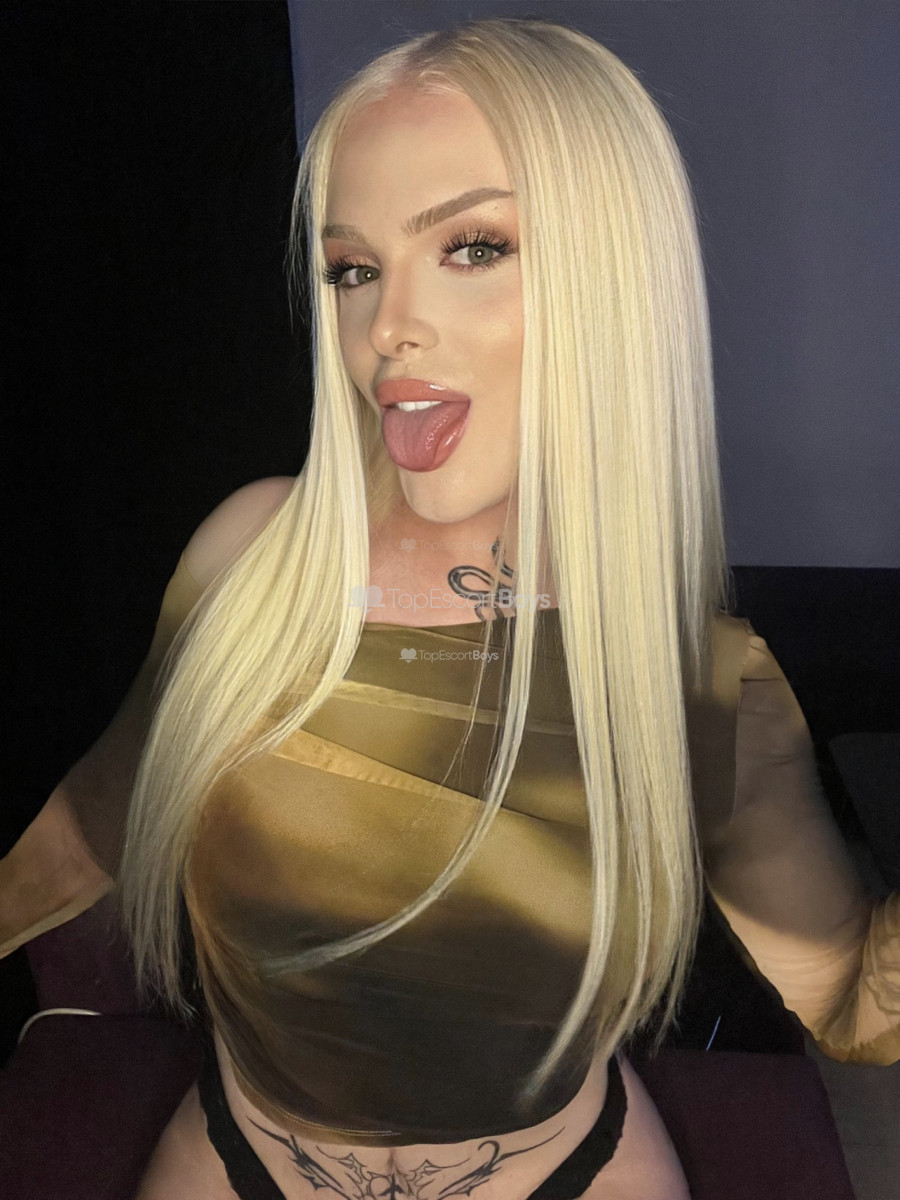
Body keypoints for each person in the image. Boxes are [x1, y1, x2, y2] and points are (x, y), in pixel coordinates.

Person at [2, 16, 898, 1200]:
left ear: (612, 276)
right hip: (231, 1163)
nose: (386, 329)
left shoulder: (690, 672)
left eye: (472, 247)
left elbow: (851, 997)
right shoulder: (247, 562)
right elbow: (87, 827)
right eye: (353, 268)